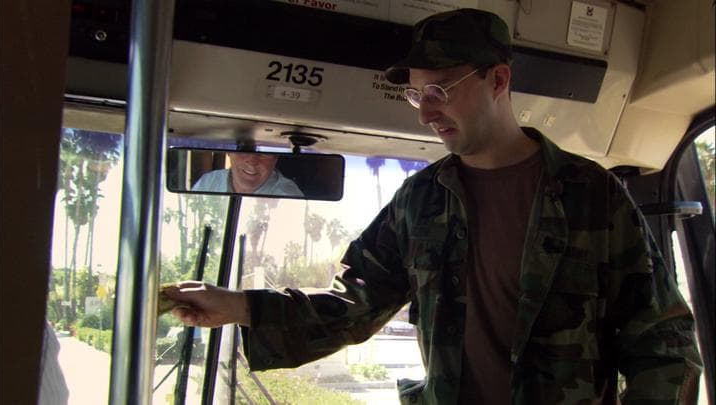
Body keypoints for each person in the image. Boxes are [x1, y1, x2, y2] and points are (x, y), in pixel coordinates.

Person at [164, 9, 702, 404]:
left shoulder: (593, 195)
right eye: (418, 96)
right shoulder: (419, 203)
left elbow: (663, 340)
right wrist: (240, 307)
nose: (426, 113)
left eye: (441, 90)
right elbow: (353, 307)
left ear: (499, 79)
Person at [192, 152, 303, 197]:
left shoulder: (288, 196)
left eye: (264, 153)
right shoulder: (208, 182)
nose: (252, 161)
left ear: (276, 158)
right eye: (244, 150)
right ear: (229, 152)